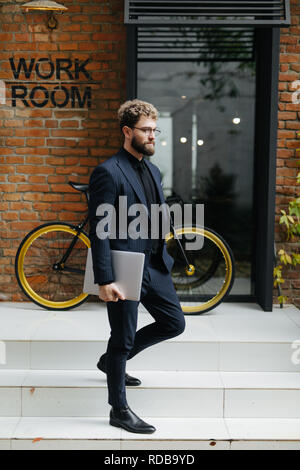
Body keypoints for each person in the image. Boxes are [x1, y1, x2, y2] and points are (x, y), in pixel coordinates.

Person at [88, 99, 185, 434]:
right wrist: (105, 279)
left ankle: (110, 363)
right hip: (124, 266)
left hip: (154, 265)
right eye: (146, 130)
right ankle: (119, 409)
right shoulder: (108, 172)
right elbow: (99, 228)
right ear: (127, 131)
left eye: (154, 130)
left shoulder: (153, 170)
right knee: (123, 338)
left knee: (174, 323)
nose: (152, 136)